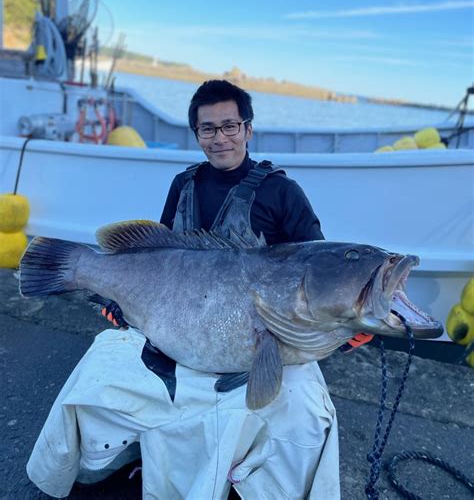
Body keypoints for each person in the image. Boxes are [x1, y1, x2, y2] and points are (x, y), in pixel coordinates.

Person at [26, 80, 369, 499]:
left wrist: (345, 317)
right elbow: (157, 255)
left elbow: (314, 266)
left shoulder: (283, 192)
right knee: (97, 375)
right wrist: (121, 300)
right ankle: (115, 462)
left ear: (248, 129)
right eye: (208, 129)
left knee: (307, 413)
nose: (220, 137)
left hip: (260, 339)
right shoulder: (182, 183)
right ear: (196, 134)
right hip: (179, 330)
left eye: (230, 126)